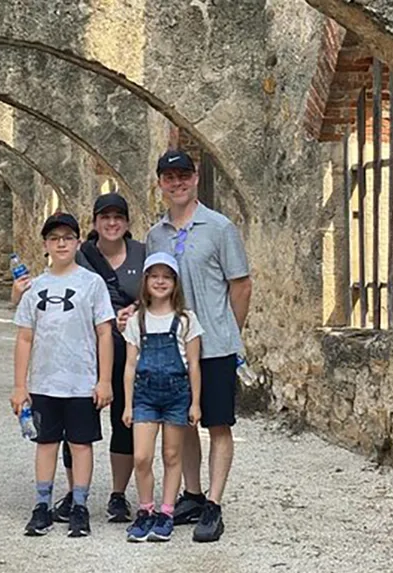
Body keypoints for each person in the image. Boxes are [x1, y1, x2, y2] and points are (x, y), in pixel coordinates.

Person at [126, 150, 252, 543]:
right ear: (160, 183)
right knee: (183, 424)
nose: (176, 183)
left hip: (212, 343)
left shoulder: (219, 227)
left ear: (195, 178)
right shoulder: (157, 234)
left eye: (183, 175)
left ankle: (214, 503)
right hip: (171, 345)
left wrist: (229, 331)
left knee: (217, 423)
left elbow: (241, 284)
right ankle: (193, 495)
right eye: (169, 177)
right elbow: (156, 285)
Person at [11, 193, 145, 524]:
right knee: (50, 440)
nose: (61, 244)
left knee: (98, 433)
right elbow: (25, 333)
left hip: (99, 367)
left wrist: (102, 378)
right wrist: (19, 384)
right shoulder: (43, 283)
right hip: (50, 378)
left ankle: (96, 500)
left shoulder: (111, 272)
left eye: (67, 238)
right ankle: (53, 500)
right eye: (54, 239)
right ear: (45, 244)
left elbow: (109, 327)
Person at [121, 252, 203, 542]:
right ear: (145, 281)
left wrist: (195, 403)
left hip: (177, 395)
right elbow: (130, 366)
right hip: (144, 396)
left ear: (175, 282)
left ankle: (166, 513)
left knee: (172, 454)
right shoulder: (137, 320)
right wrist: (128, 404)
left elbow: (194, 364)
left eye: (166, 276)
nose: (160, 281)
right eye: (154, 276)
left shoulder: (185, 320)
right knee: (142, 456)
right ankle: (146, 510)